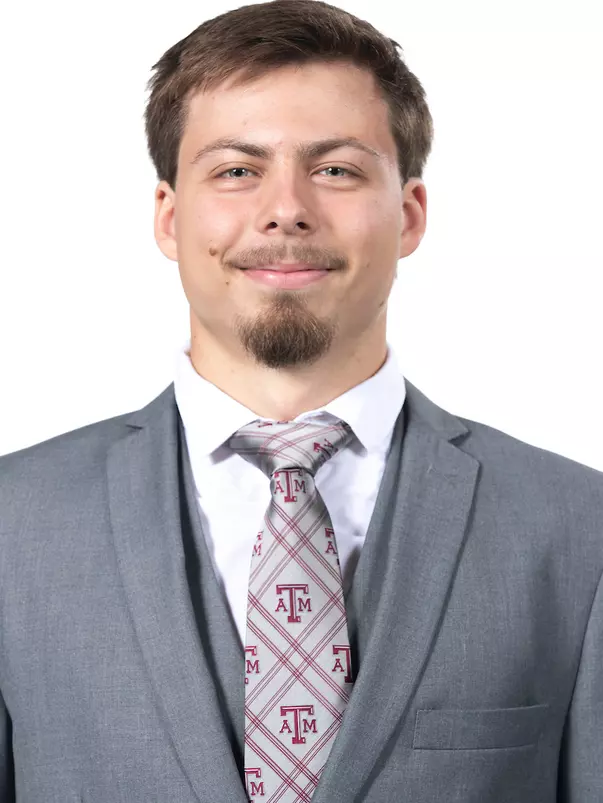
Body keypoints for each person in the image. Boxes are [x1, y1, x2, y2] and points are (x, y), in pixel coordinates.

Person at [1, 0, 602, 800]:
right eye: (237, 170)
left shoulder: (576, 529)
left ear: (409, 214)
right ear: (171, 218)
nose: (285, 209)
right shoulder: (12, 522)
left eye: (336, 169)